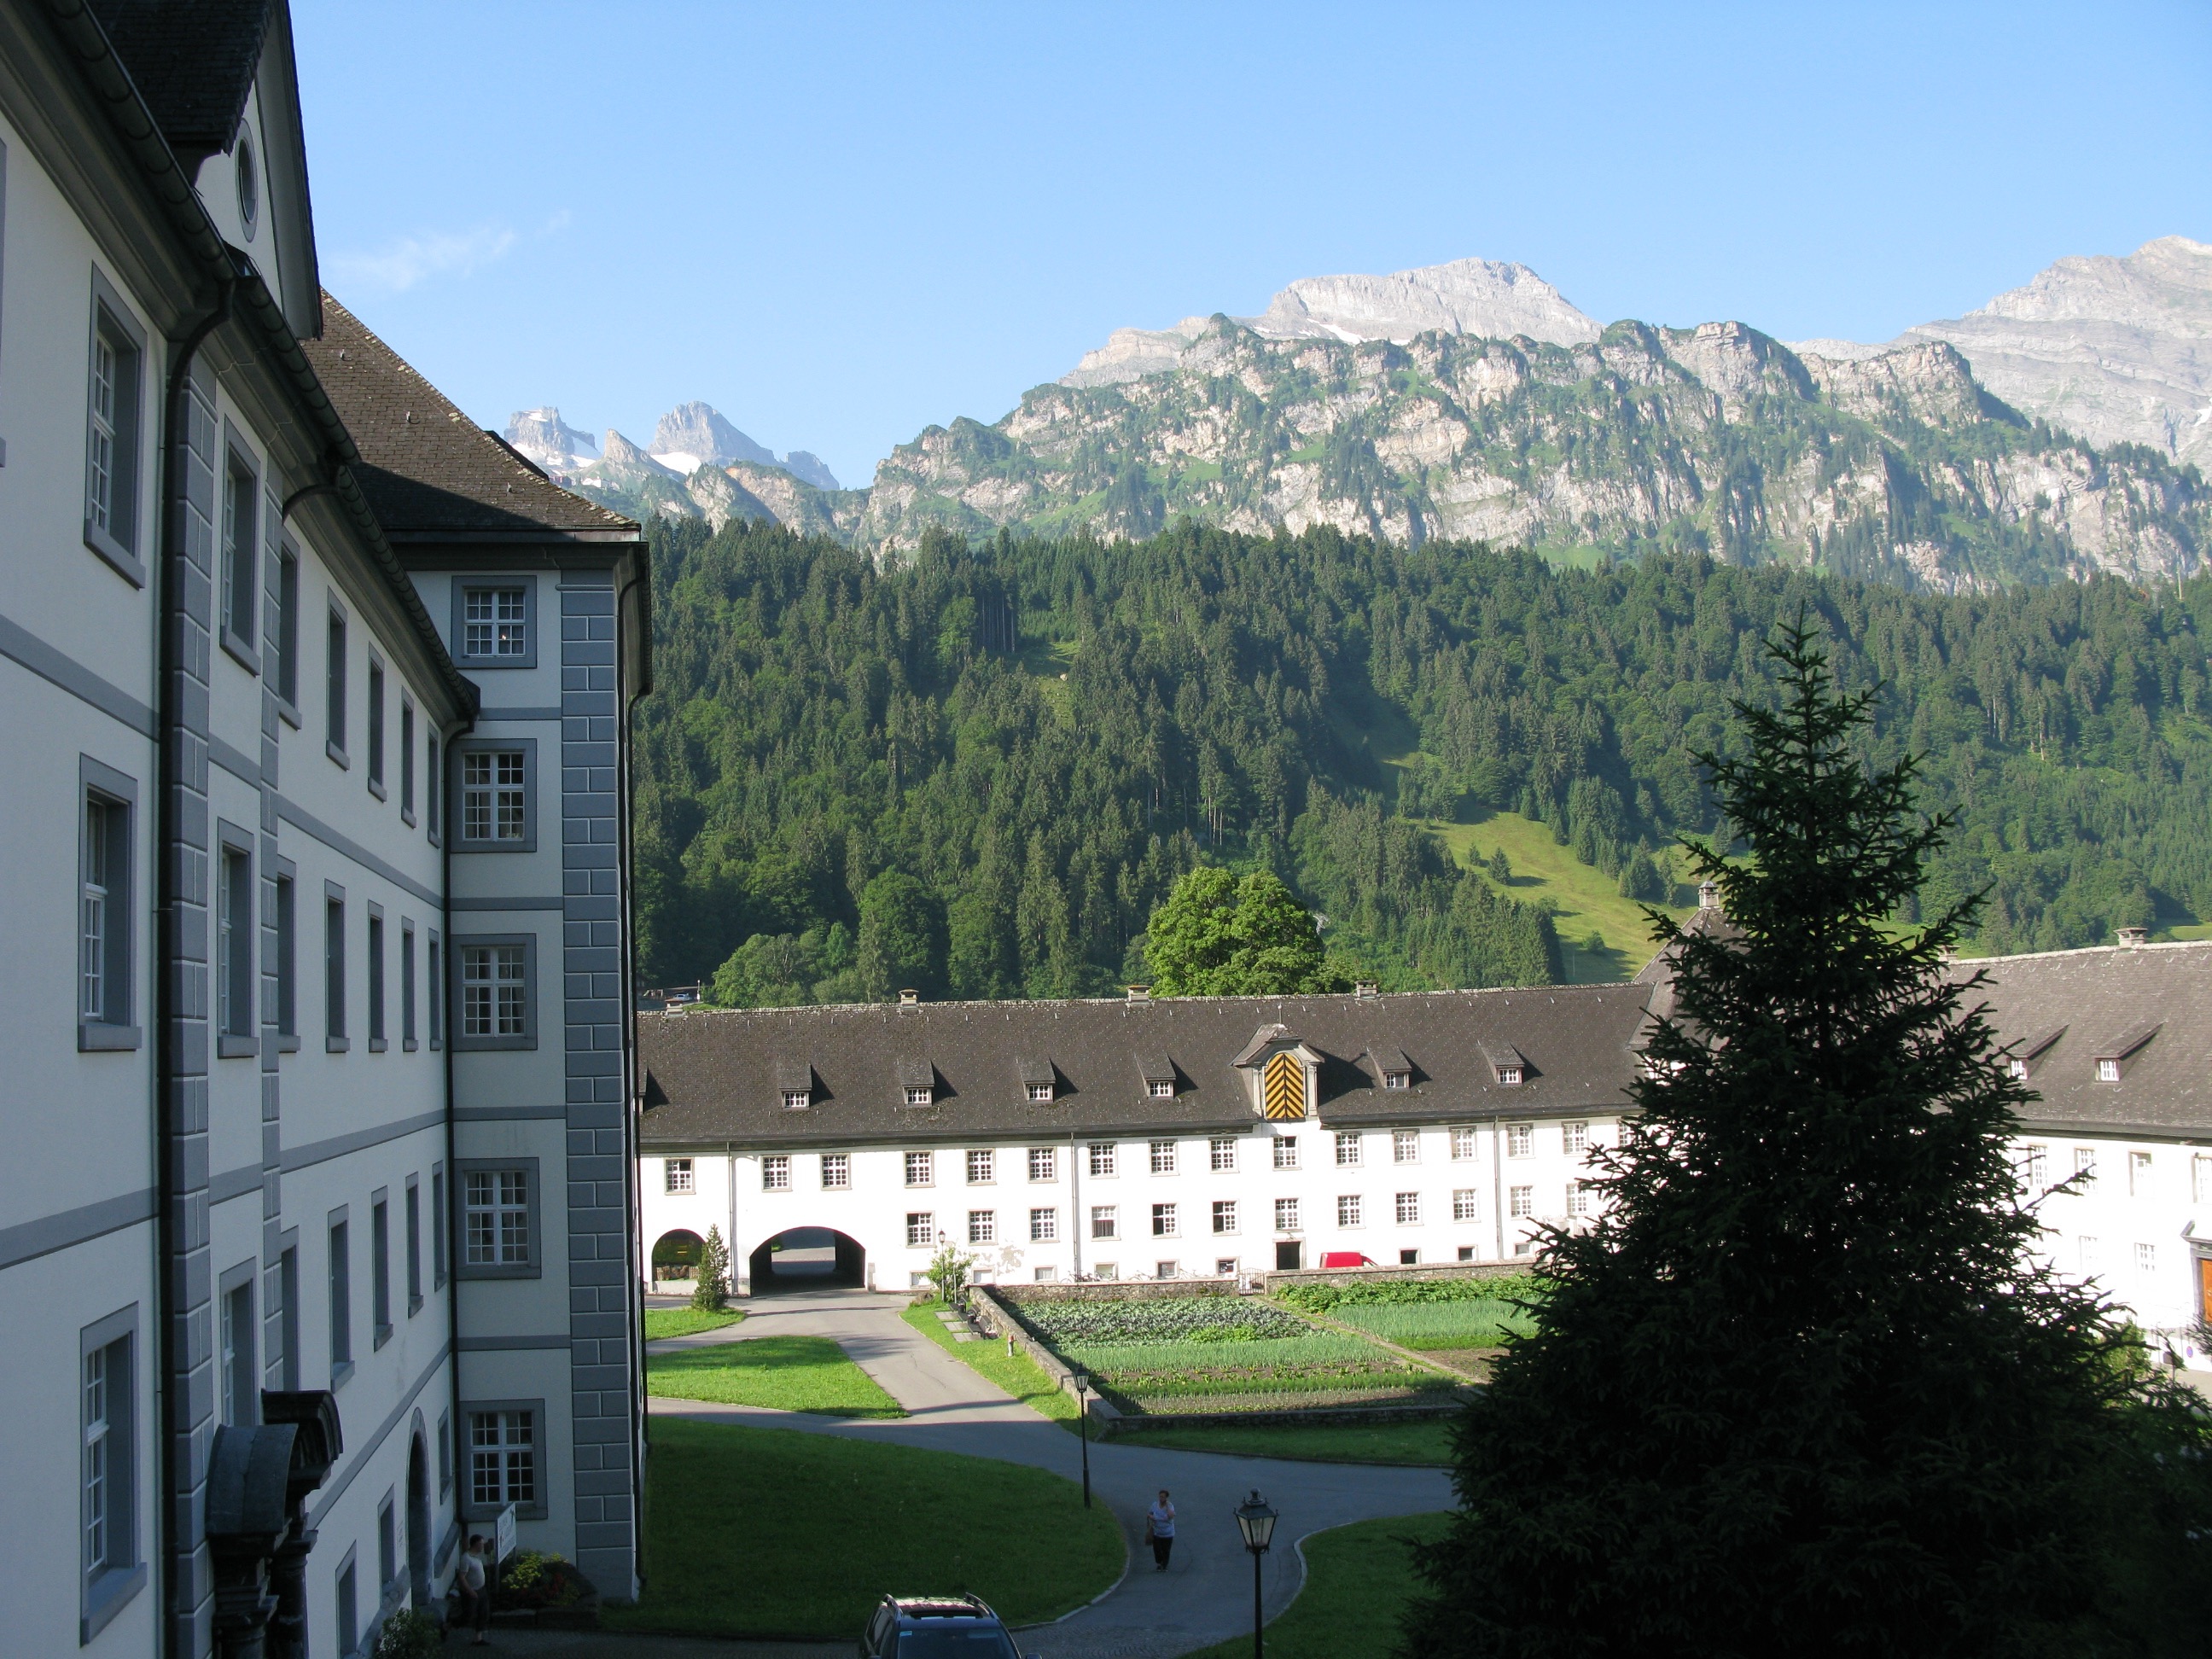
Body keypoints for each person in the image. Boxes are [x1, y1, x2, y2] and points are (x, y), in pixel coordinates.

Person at [457, 1533, 491, 1645]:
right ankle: (448, 1626)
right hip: (471, 1592)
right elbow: (462, 1577)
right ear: (475, 1544)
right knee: (468, 1616)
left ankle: (478, 1638)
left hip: (481, 1590)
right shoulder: (466, 1558)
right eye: (481, 1544)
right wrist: (470, 1591)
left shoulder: (476, 1556)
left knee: (483, 1613)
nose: (483, 1546)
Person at [1146, 1490, 1177, 1571]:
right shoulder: (1155, 1505)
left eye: (1163, 1497)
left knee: (1166, 1550)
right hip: (1157, 1532)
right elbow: (1149, 1513)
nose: (1161, 1498)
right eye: (1160, 1496)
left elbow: (1171, 1515)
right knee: (1157, 1549)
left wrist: (1156, 1518)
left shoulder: (1169, 1506)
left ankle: (1165, 1565)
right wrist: (1150, 1516)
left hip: (1168, 1533)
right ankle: (1159, 1563)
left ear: (1166, 1498)